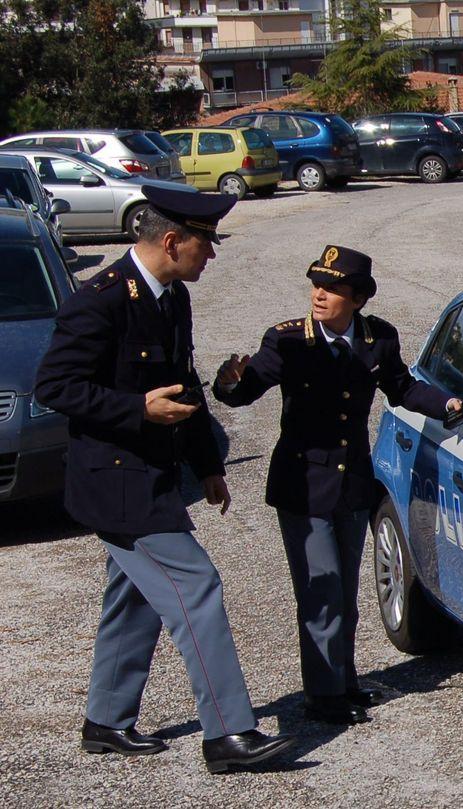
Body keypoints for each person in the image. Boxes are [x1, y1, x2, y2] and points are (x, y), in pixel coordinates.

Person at [33, 186, 294, 774]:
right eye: (206, 243)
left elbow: (185, 385)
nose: (212, 254)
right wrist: (136, 410)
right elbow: (53, 387)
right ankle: (228, 735)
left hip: (154, 480)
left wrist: (207, 464)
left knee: (135, 599)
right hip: (116, 485)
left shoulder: (172, 297)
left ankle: (106, 720)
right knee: (196, 587)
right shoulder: (99, 301)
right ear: (171, 241)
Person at [213, 245, 461, 725]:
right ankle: (322, 695)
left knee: (345, 592)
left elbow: (402, 387)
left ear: (359, 298)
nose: (319, 295)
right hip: (303, 485)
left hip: (351, 484)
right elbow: (248, 388)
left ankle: (343, 681)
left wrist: (448, 404)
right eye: (315, 286)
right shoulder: (288, 340)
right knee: (319, 589)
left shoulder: (377, 339)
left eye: (331, 288)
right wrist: (229, 384)